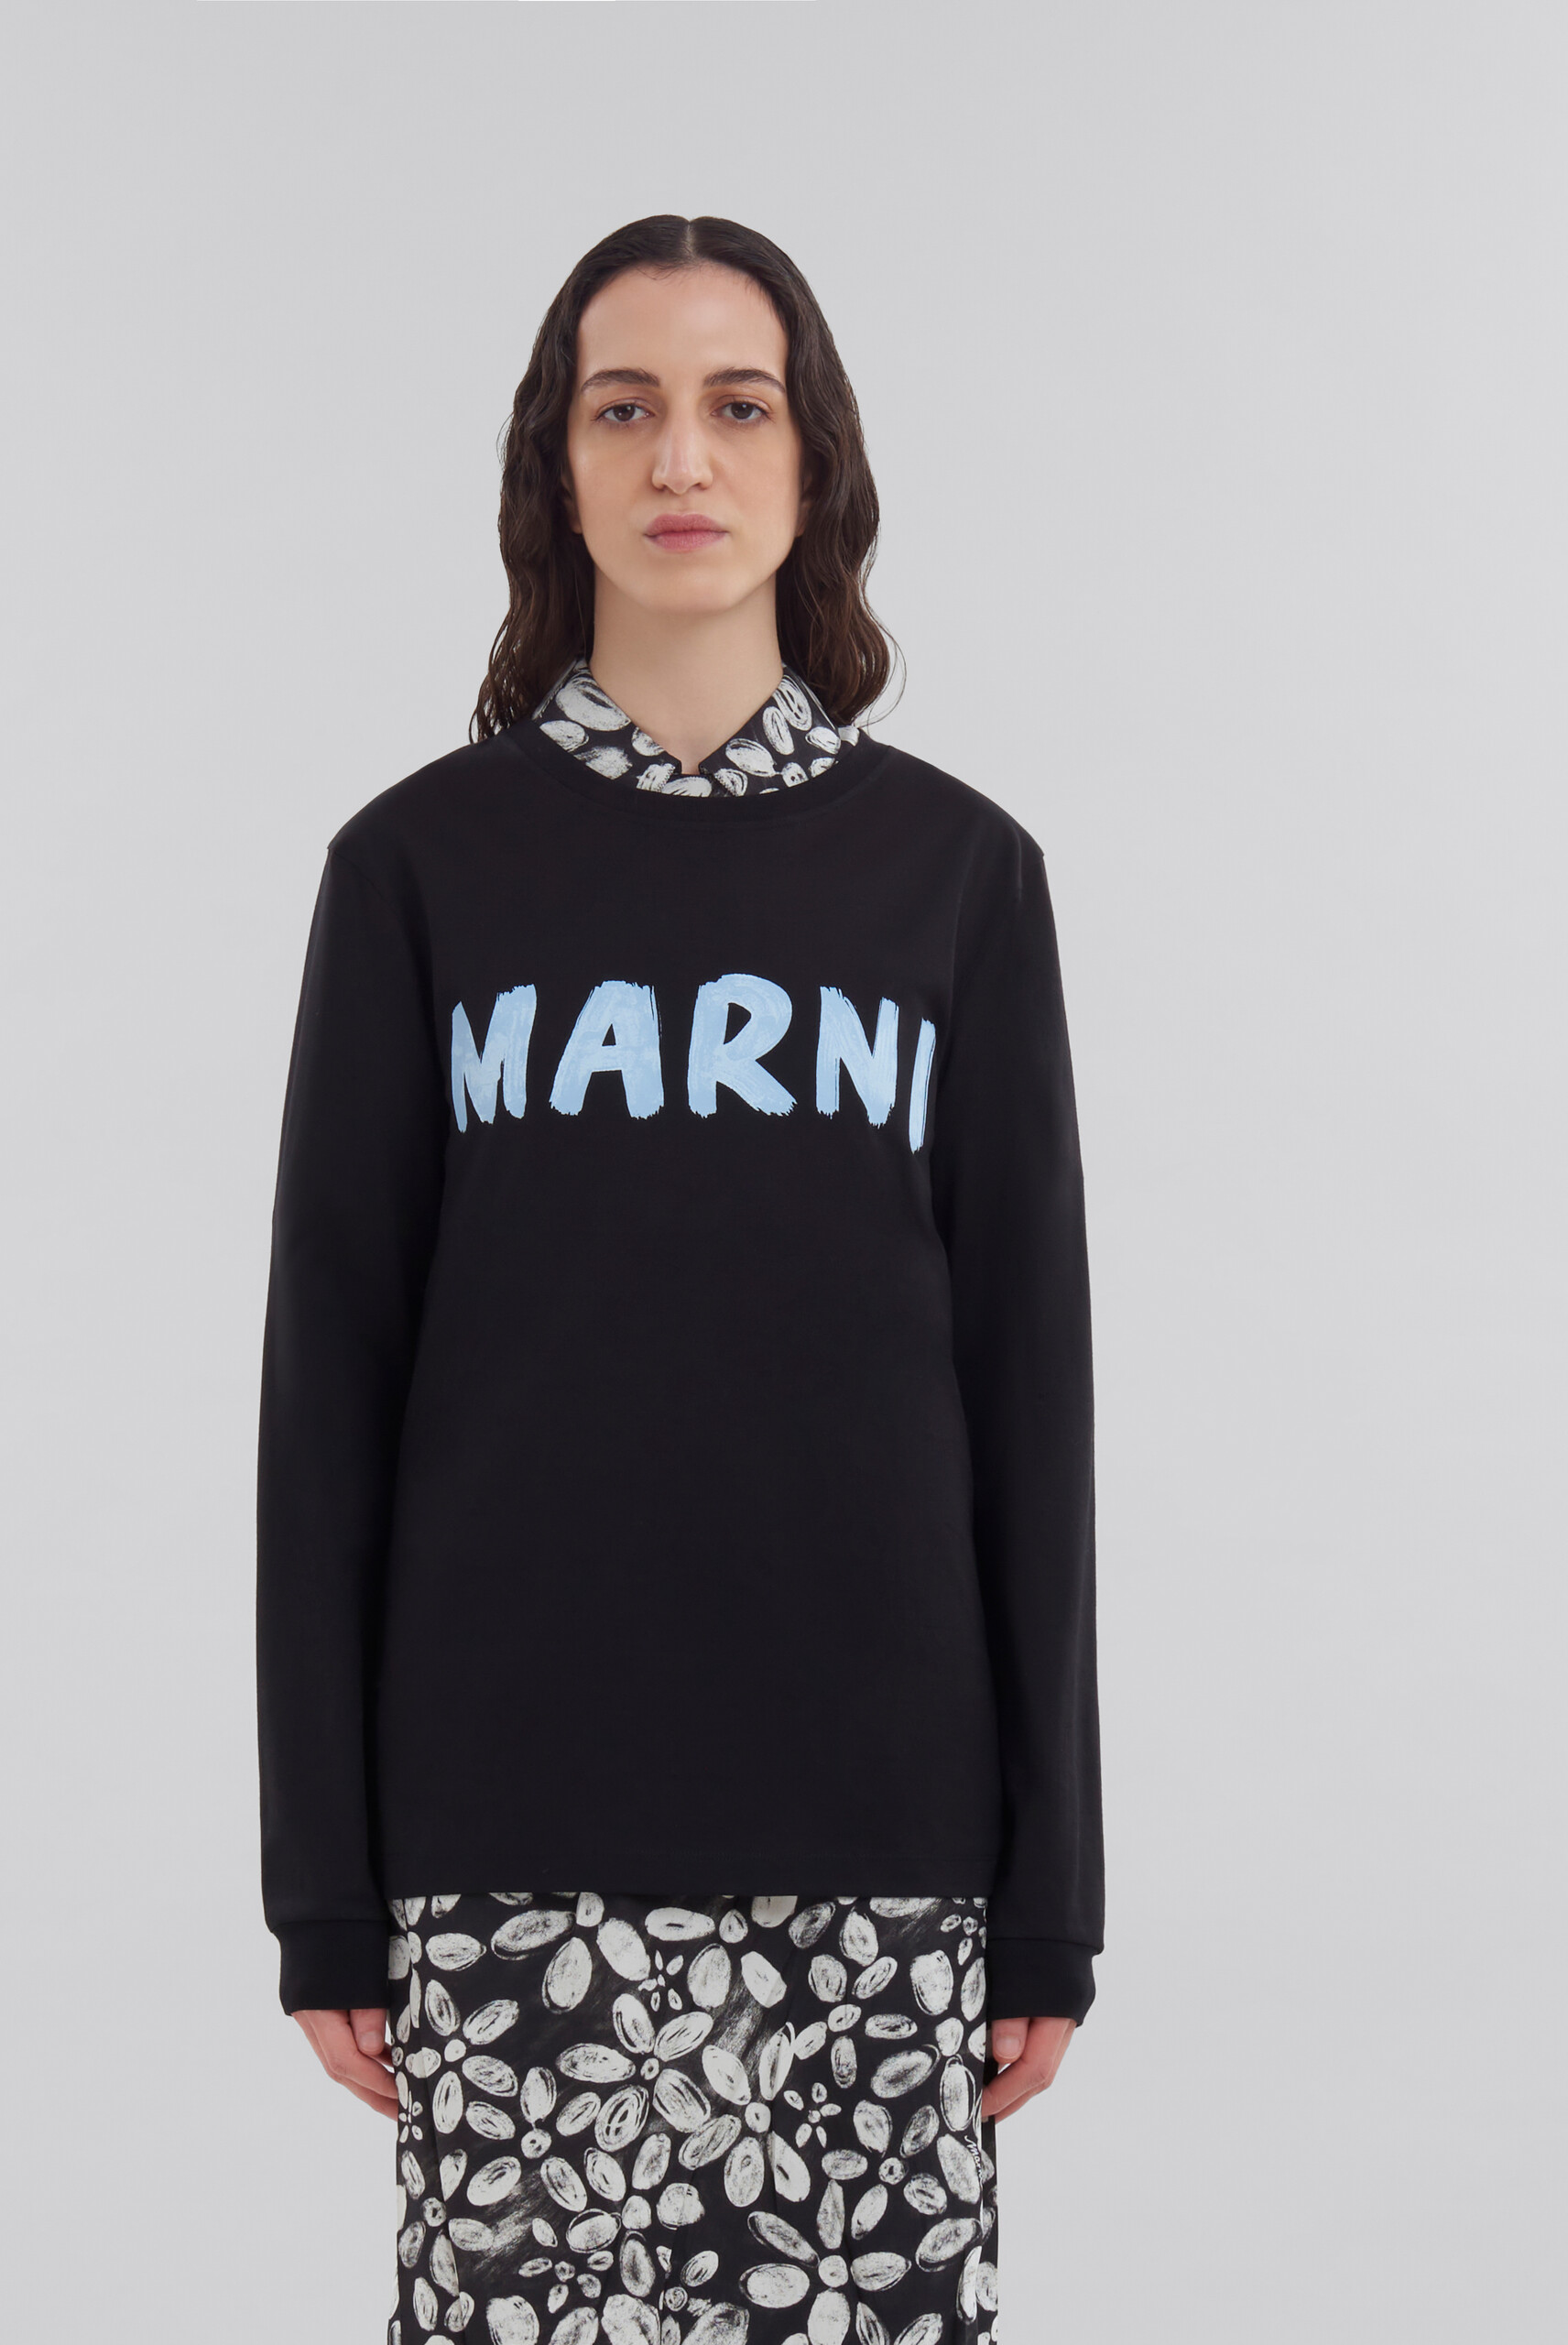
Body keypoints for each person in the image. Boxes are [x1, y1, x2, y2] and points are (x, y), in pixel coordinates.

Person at [256, 214, 1103, 2345]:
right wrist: (324, 1884)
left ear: (818, 461)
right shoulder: (416, 872)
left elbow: (1032, 1399)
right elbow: (329, 1390)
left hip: (886, 1839)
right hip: (505, 1830)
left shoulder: (961, 880)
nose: (682, 457)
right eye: (621, 406)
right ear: (556, 463)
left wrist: (1051, 1893)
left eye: (741, 405)